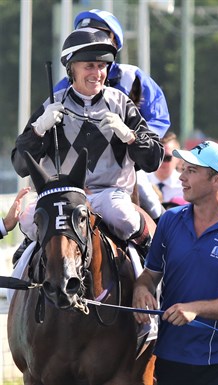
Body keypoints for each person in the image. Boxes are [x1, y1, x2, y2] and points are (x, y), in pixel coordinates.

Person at [11, 28, 164, 258]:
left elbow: (153, 160)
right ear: (72, 68)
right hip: (62, 195)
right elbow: (21, 165)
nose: (97, 73)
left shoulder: (121, 103)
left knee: (122, 215)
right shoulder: (52, 104)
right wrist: (38, 130)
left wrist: (130, 136)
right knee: (29, 220)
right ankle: (19, 273)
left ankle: (152, 262)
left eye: (102, 66)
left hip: (109, 194)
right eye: (89, 66)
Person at [54, 8, 170, 223]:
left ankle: (162, 245)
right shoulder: (65, 84)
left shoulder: (133, 77)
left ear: (114, 42)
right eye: (85, 32)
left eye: (98, 32)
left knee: (152, 205)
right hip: (77, 173)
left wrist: (131, 142)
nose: (91, 37)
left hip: (125, 167)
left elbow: (158, 118)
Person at [132, 140, 218, 385]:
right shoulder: (169, 221)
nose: (181, 177)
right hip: (169, 357)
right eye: (183, 169)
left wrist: (196, 308)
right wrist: (141, 289)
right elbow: (150, 275)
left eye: (191, 171)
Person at [147, 131, 185, 205]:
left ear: (177, 159)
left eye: (166, 158)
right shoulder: (142, 181)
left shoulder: (185, 186)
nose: (160, 162)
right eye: (157, 156)